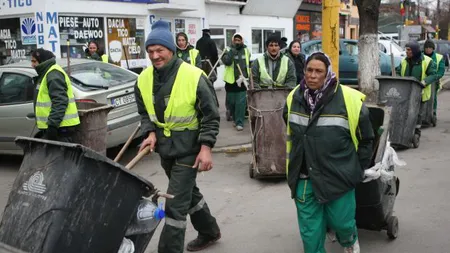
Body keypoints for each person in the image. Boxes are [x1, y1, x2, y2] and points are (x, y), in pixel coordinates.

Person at [135, 20, 221, 253]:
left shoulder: (194, 76)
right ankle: (210, 231)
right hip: (165, 149)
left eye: (159, 50)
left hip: (189, 149)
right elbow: (144, 112)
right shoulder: (143, 79)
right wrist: (150, 131)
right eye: (150, 51)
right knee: (188, 193)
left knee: (174, 203)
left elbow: (211, 116)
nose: (155, 55)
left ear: (171, 50)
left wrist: (206, 147)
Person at [284, 52, 374, 253]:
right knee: (310, 233)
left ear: (328, 74)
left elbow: (366, 140)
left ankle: (349, 241)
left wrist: (356, 170)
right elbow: (292, 133)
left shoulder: (350, 101)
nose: (312, 75)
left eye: (319, 71)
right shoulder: (293, 98)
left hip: (338, 176)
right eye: (309, 70)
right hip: (304, 178)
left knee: (342, 223)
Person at [31, 48, 80, 142]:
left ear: (42, 61)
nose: (32, 65)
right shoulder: (47, 73)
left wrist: (52, 126)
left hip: (61, 129)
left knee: (62, 156)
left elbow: (60, 101)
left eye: (34, 61)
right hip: (59, 127)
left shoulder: (53, 74)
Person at [396, 41, 437, 135]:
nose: (407, 52)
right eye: (406, 50)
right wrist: (397, 77)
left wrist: (424, 82)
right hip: (405, 92)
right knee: (405, 113)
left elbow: (433, 74)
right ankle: (404, 132)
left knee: (417, 114)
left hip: (420, 93)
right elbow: (398, 71)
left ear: (414, 51)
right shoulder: (404, 61)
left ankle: (416, 132)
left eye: (409, 50)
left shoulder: (427, 61)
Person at [222, 33, 251, 131]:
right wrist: (232, 51)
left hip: (242, 80)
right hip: (231, 81)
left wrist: (247, 77)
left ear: (242, 41)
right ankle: (235, 119)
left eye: (239, 40)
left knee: (241, 103)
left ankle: (240, 122)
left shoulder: (246, 50)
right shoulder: (227, 50)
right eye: (236, 40)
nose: (237, 42)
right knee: (232, 103)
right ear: (233, 41)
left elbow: (248, 62)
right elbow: (227, 62)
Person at [423, 40, 445, 121]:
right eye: (426, 48)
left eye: (430, 48)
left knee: (433, 98)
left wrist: (435, 77)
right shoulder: (420, 56)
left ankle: (433, 113)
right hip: (422, 82)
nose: (428, 49)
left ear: (433, 49)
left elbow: (441, 71)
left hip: (433, 83)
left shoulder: (439, 57)